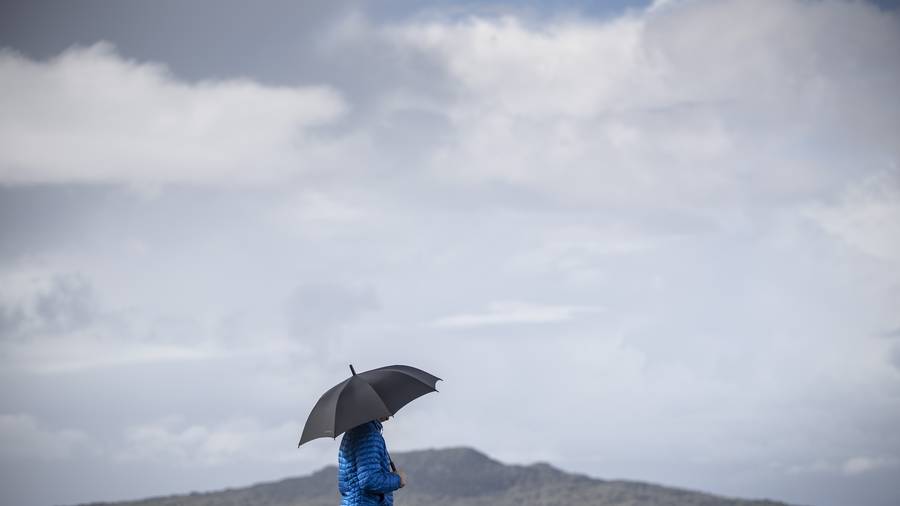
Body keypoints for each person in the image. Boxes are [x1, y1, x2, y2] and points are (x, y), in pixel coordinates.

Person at [338, 415, 407, 506]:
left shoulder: (352, 432)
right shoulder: (369, 434)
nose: (390, 415)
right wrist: (398, 479)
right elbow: (369, 480)